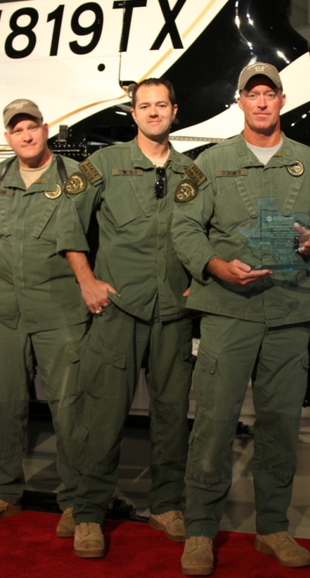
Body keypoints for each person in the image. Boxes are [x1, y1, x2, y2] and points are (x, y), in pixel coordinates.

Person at [171, 62, 310, 576]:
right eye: (253, 94)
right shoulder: (207, 163)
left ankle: (272, 527)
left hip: (288, 311)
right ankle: (200, 529)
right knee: (215, 424)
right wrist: (216, 265)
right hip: (228, 312)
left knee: (282, 425)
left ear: (282, 101)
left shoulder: (309, 162)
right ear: (239, 102)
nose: (262, 102)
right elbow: (184, 226)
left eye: (270, 94)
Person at [62, 79, 195, 558]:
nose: (154, 112)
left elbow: (207, 230)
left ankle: (165, 504)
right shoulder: (102, 165)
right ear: (132, 114)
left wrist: (197, 280)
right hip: (119, 308)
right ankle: (89, 512)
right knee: (102, 413)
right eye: (145, 106)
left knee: (172, 416)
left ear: (174, 111)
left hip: (174, 313)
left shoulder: (190, 171)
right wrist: (86, 281)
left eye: (162, 104)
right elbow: (67, 225)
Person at [0, 99, 90, 533]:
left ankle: (76, 501)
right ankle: (3, 492)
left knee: (70, 409)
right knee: (1, 406)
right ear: (8, 137)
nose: (26, 135)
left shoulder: (77, 176)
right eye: (16, 130)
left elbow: (93, 234)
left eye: (32, 126)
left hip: (61, 310)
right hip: (6, 313)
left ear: (46, 128)